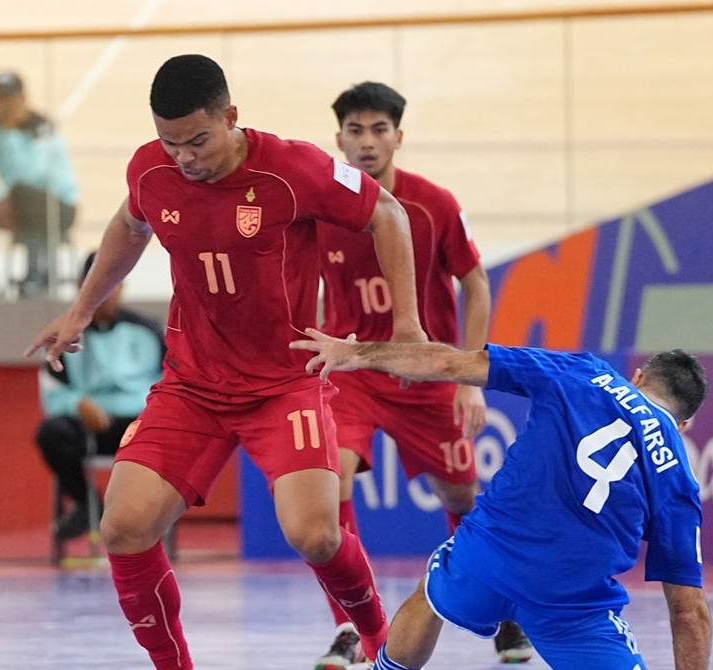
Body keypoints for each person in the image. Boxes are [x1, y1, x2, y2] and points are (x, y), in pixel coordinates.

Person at [24, 54, 426, 670]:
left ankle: (379, 642)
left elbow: (387, 214)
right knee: (123, 528)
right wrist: (81, 310)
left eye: (198, 141)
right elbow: (131, 226)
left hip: (285, 384)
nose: (184, 157)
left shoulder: (294, 168)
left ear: (231, 117)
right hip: (193, 386)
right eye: (171, 142)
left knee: (316, 535)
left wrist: (407, 327)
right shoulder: (151, 169)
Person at [290, 330, 713, 670]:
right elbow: (688, 612)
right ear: (684, 424)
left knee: (432, 592)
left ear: (637, 377)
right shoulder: (678, 472)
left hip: (487, 562)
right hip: (572, 604)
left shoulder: (582, 371)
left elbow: (447, 362)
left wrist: (357, 354)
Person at [312, 81, 532, 669]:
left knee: (461, 496)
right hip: (354, 371)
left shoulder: (434, 204)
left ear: (398, 136)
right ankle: (352, 627)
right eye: (355, 130)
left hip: (426, 373)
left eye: (378, 129)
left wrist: (468, 375)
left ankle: (502, 611)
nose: (366, 141)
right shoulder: (320, 209)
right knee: (330, 481)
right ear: (339, 139)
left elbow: (477, 284)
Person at [35, 251, 165, 541]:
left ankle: (149, 518)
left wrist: (149, 409)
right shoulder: (65, 335)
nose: (104, 294)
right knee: (51, 433)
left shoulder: (148, 331)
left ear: (122, 287)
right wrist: (77, 404)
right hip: (91, 425)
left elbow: (172, 381)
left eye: (112, 285)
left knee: (167, 434)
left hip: (139, 423)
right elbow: (51, 392)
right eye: (95, 286)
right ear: (81, 288)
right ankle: (87, 504)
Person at [0, 70, 79, 299]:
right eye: (0, 99)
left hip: (56, 207)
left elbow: (35, 174)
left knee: (24, 194)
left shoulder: (41, 128)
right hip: (11, 205)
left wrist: (10, 135)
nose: (5, 105)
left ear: (23, 98)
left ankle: (36, 272)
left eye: (10, 99)